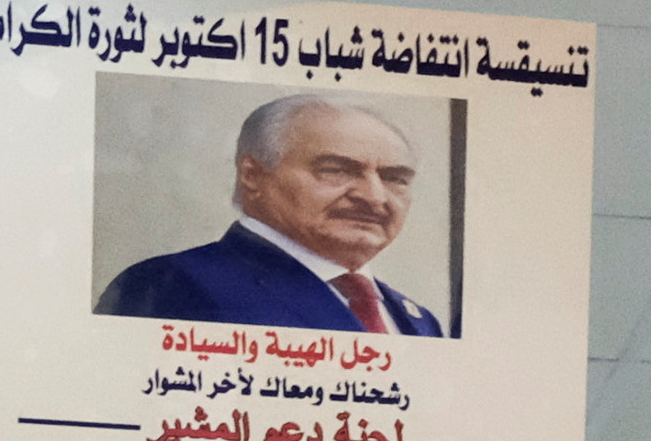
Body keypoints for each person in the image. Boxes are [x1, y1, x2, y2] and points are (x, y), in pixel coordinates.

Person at [95, 93, 448, 337]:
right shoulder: (171, 286)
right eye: (335, 170)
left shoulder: (419, 320)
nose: (373, 196)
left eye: (394, 178)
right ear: (252, 175)